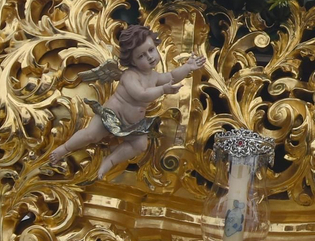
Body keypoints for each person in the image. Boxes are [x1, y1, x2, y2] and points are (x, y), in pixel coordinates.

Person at [49, 25, 202, 179]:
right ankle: (64, 149)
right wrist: (162, 90)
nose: (149, 57)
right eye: (141, 56)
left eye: (150, 50)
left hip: (131, 124)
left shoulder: (154, 76)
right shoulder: (130, 76)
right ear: (132, 61)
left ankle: (110, 161)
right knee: (92, 135)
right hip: (111, 116)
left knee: (140, 145)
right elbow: (141, 94)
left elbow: (172, 77)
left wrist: (187, 67)